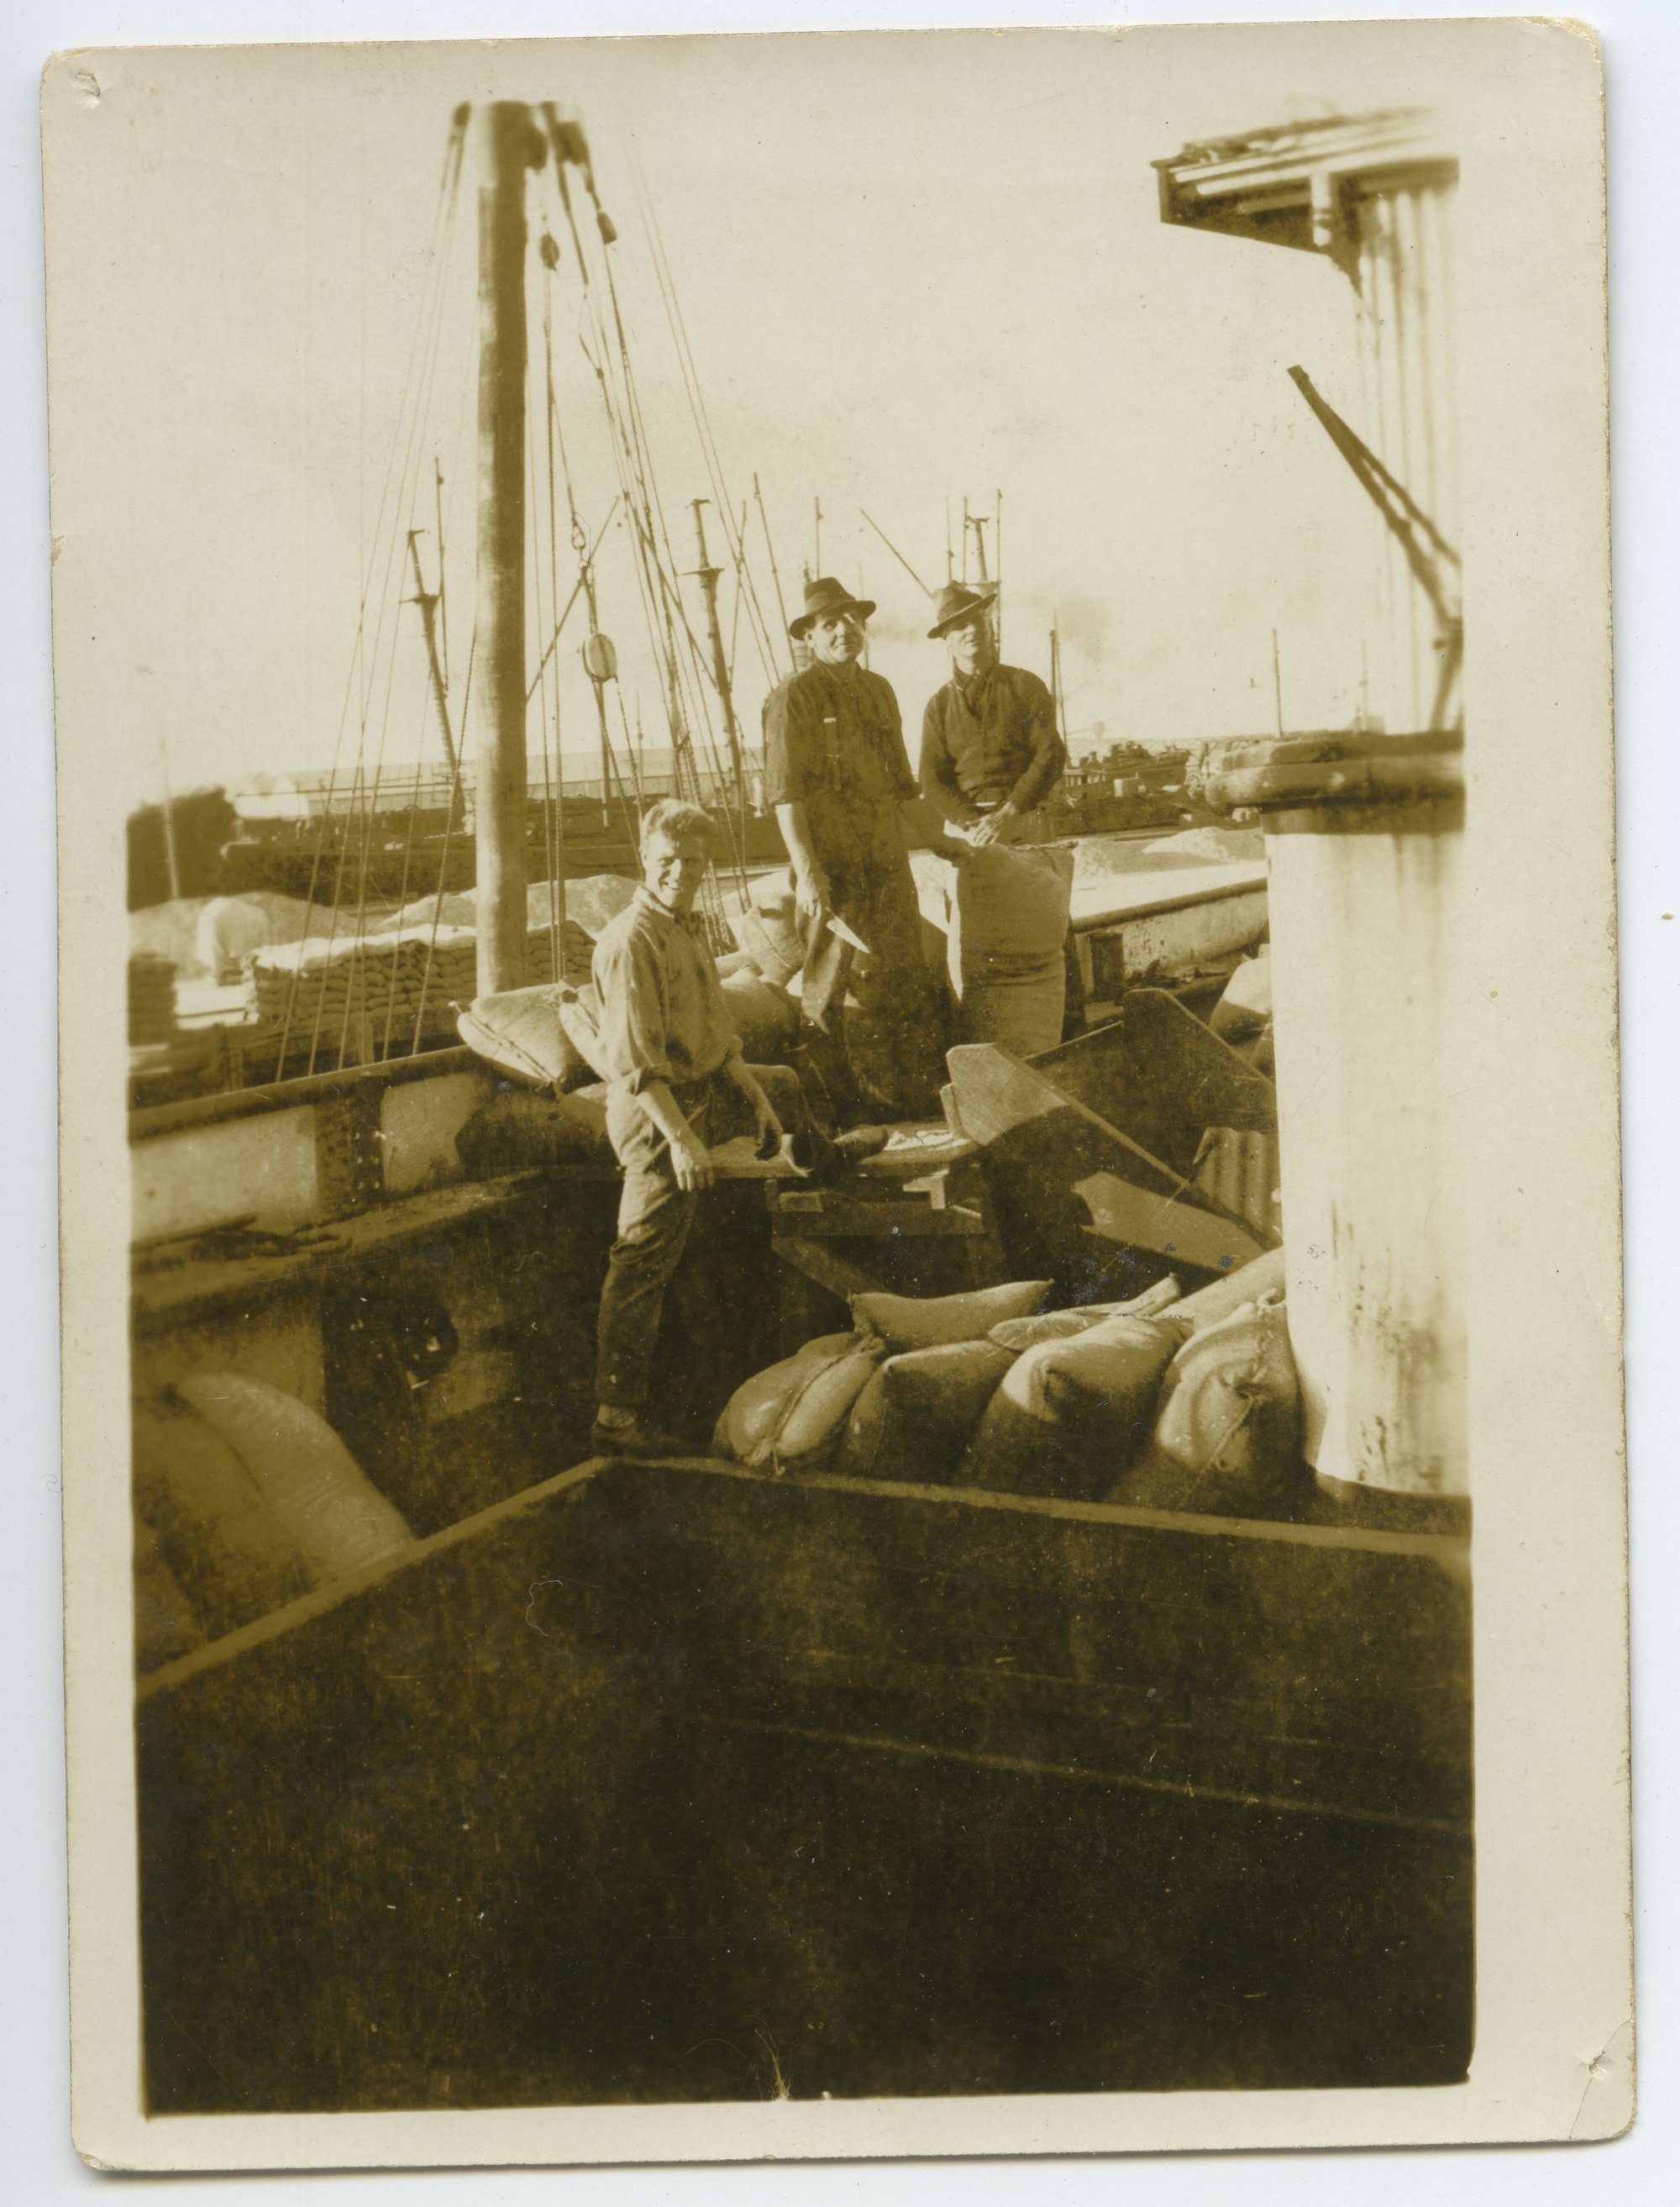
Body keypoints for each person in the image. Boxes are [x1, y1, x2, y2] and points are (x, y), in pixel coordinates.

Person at [590, 799, 806, 1458]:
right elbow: (636, 1065)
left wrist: (756, 1099)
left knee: (783, 1086)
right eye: (668, 860)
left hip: (704, 1097)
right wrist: (682, 1142)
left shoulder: (686, 928)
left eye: (692, 861)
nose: (680, 872)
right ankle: (615, 1420)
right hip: (656, 1116)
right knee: (641, 1260)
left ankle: (821, 1156)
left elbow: (716, 1035)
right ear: (644, 859)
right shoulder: (630, 941)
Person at [764, 575, 972, 1122]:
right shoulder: (794, 696)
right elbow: (786, 794)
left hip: (884, 858)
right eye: (830, 623)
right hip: (831, 863)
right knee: (832, 981)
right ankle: (831, 1109)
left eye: (852, 619)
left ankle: (901, 1098)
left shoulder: (879, 691)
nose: (844, 630)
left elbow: (903, 785)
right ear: (809, 636)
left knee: (900, 971)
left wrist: (939, 841)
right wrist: (809, 873)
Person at [918, 581, 1067, 843]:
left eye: (978, 620)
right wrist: (971, 822)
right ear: (946, 639)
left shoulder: (1024, 685)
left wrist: (1010, 811)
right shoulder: (939, 706)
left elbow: (1050, 752)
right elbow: (931, 780)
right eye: (960, 625)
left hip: (1024, 819)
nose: (972, 629)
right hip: (970, 832)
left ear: (988, 626)